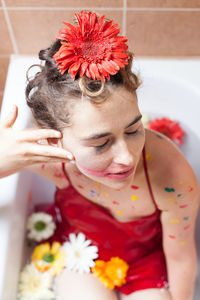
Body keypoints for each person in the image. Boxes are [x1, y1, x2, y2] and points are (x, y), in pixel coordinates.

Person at [0, 10, 199, 300]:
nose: (127, 157)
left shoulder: (170, 174)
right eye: (101, 143)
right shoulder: (52, 160)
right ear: (58, 141)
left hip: (145, 264)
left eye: (133, 131)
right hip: (81, 252)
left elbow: (181, 258)